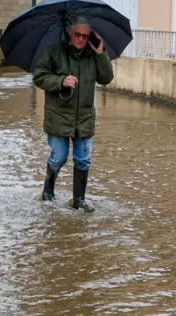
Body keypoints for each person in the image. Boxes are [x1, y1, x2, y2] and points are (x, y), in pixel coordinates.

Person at [32, 17, 114, 211]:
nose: (81, 39)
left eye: (85, 36)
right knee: (59, 156)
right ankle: (48, 190)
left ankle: (78, 201)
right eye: (77, 34)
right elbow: (39, 77)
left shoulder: (93, 56)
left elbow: (107, 78)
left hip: (84, 118)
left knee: (83, 159)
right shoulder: (53, 52)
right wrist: (61, 81)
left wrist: (101, 53)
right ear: (70, 33)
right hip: (58, 116)